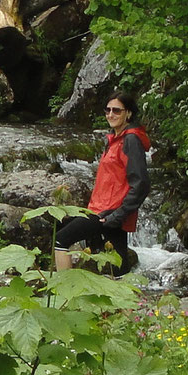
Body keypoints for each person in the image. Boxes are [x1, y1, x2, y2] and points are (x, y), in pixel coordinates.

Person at [54, 91, 150, 274]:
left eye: (117, 111)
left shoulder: (130, 140)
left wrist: (118, 215)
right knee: (119, 263)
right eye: (107, 110)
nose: (110, 115)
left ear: (128, 113)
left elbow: (141, 184)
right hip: (102, 209)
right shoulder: (115, 139)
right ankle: (128, 301)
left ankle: (63, 292)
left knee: (61, 239)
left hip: (108, 212)